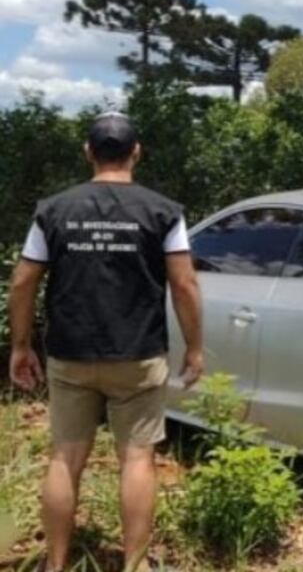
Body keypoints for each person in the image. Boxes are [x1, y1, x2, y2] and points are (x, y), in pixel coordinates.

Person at [6, 112, 205, 572]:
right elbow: (185, 284)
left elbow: (22, 282)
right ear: (137, 152)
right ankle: (135, 565)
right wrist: (195, 348)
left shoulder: (52, 210)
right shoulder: (164, 211)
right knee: (137, 459)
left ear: (88, 153)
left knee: (64, 457)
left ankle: (54, 565)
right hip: (137, 355)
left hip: (70, 355)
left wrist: (21, 345)